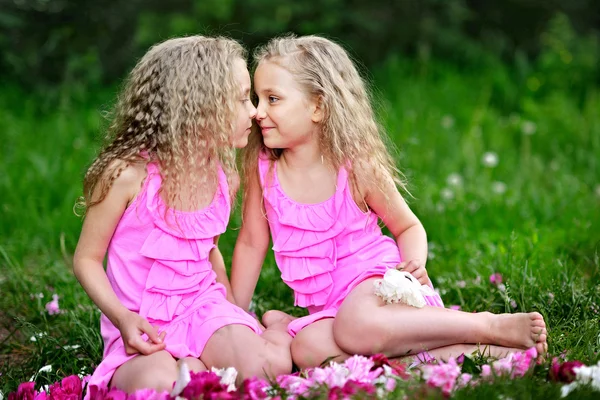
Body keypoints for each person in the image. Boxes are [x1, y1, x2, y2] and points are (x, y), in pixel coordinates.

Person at [230, 35, 547, 369]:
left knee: (355, 326)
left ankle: (486, 325)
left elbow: (407, 225)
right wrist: (236, 316)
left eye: (273, 99)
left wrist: (410, 272)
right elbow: (252, 242)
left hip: (378, 289)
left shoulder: (353, 166)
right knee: (308, 349)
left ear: (318, 107)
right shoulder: (263, 170)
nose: (258, 112)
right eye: (257, 98)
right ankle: (485, 354)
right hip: (331, 310)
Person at [73, 36, 292, 396]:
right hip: (141, 321)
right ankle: (189, 365)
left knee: (266, 368)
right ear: (199, 108)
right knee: (158, 384)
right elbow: (86, 259)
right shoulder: (127, 176)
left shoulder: (224, 176)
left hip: (202, 309)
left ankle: (235, 345)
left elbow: (208, 252)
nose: (254, 111)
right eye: (242, 100)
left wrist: (234, 313)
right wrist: (122, 319)